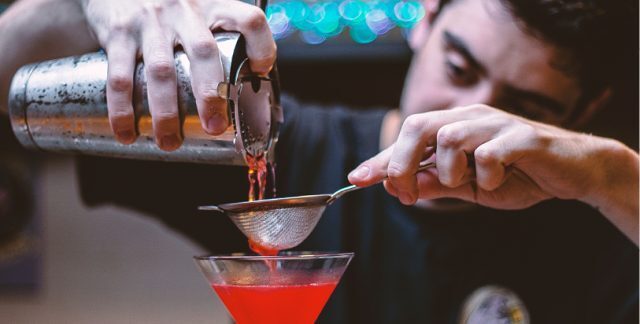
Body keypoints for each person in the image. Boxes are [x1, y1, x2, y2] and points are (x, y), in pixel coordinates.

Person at [0, 0, 637, 323]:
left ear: (586, 111)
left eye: (523, 107)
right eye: (459, 68)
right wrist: (80, 3)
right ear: (426, 20)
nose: (468, 119)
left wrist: (612, 175)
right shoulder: (274, 145)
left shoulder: (602, 210)